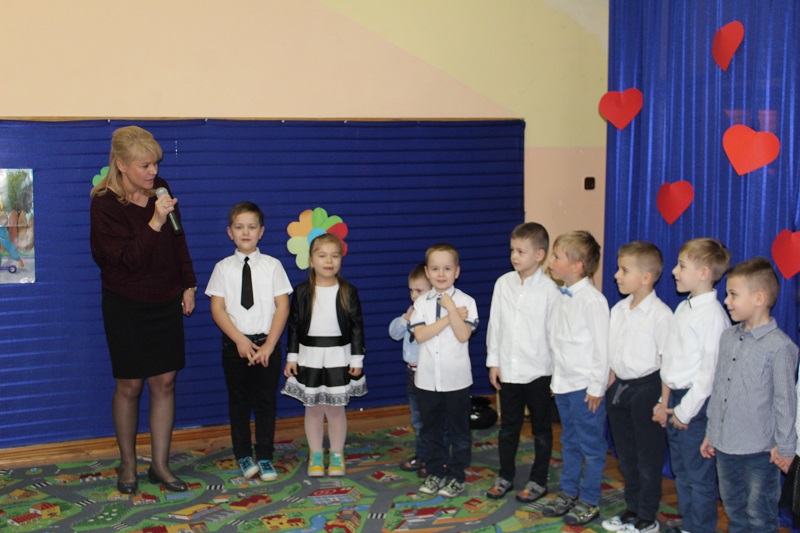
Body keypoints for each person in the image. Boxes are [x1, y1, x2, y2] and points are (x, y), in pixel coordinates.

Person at [90, 125, 196, 494]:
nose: (153, 172)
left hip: (165, 298)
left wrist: (188, 284)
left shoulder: (160, 188)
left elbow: (178, 241)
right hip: (126, 304)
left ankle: (161, 466)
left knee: (165, 382)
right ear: (121, 165)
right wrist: (154, 221)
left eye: (155, 164)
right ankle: (128, 464)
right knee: (130, 385)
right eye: (144, 165)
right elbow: (124, 262)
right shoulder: (104, 204)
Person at [700, 257, 798, 533]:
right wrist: (711, 432)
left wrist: (786, 447)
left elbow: (785, 402)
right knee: (733, 509)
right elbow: (719, 389)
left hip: (760, 451)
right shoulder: (728, 337)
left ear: (759, 298)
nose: (726, 301)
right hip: (725, 446)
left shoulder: (780, 346)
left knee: (759, 514)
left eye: (733, 294)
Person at [206, 202, 292, 482]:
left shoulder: (273, 266)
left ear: (261, 232)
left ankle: (265, 455)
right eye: (239, 227)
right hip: (235, 347)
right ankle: (243, 454)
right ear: (229, 232)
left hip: (267, 345)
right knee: (239, 402)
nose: (246, 232)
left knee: (266, 402)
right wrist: (240, 341)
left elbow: (283, 307)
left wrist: (269, 345)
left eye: (252, 227)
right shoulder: (222, 268)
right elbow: (217, 309)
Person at [652, 237, 731, 533]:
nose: (674, 271)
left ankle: (700, 527)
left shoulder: (712, 317)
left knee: (698, 475)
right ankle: (689, 522)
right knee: (682, 470)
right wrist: (664, 402)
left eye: (682, 266)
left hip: (695, 406)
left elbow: (708, 376)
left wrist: (685, 412)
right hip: (676, 400)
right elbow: (671, 360)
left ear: (704, 273)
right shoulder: (684, 308)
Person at [282, 233, 367, 477]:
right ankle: (316, 455)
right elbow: (294, 326)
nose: (329, 261)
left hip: (339, 357)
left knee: (336, 409)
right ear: (311, 261)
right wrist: (292, 357)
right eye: (322, 256)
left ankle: (337, 455)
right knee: (313, 409)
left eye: (334, 256)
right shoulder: (301, 291)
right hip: (310, 357)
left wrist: (357, 359)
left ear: (341, 259)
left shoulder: (348, 291)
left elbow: (357, 327)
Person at [485, 222, 559, 503]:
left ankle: (539, 480)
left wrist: (556, 375)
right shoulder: (503, 284)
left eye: (521, 251)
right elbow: (495, 325)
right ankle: (505, 475)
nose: (514, 256)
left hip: (539, 372)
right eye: (512, 250)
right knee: (508, 427)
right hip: (509, 370)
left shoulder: (550, 290)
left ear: (539, 255)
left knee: (541, 429)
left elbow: (555, 334)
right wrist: (494, 362)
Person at [602, 242, 672, 533]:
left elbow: (667, 362)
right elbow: (611, 355)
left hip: (648, 389)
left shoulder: (661, 315)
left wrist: (663, 402)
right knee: (626, 456)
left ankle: (647, 515)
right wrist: (607, 386)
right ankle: (631, 508)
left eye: (623, 270)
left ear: (646, 277)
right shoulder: (618, 309)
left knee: (647, 457)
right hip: (620, 389)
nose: (616, 275)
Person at [542, 230, 609, 526]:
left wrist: (596, 388)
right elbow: (557, 342)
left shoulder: (592, 301)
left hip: (585, 389)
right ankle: (569, 491)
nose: (551, 261)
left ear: (577, 265)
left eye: (557, 256)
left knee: (591, 447)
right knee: (569, 441)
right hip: (565, 385)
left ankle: (590, 499)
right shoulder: (561, 296)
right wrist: (556, 381)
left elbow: (602, 349)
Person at [410, 243, 479, 499]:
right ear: (427, 272)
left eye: (447, 269)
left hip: (457, 380)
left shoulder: (466, 302)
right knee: (431, 431)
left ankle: (456, 475)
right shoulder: (421, 303)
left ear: (457, 272)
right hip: (427, 381)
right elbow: (420, 335)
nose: (441, 274)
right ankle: (435, 472)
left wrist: (451, 308)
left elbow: (463, 335)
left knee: (459, 431)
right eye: (435, 269)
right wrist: (449, 317)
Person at [389, 263, 445, 478]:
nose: (414, 295)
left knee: (435, 419)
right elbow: (394, 334)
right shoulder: (411, 314)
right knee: (418, 419)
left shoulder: (437, 317)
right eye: (411, 290)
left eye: (419, 291)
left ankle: (438, 458)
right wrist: (405, 319)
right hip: (412, 374)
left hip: (430, 374)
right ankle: (422, 455)